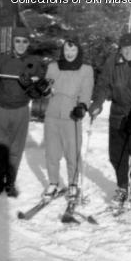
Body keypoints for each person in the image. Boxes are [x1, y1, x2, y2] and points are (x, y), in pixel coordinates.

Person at [0, 27, 49, 198]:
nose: (21, 44)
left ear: (29, 43)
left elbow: (39, 93)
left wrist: (31, 86)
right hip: (0, 109)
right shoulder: (1, 60)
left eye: (24, 41)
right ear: (12, 42)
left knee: (16, 149)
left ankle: (10, 183)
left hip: (21, 110)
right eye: (17, 40)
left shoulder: (34, 62)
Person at [88, 32, 131, 205]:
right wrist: (97, 102)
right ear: (120, 49)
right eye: (125, 48)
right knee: (116, 154)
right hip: (118, 113)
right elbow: (103, 84)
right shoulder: (112, 61)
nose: (129, 52)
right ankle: (121, 187)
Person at [41, 36, 94, 202]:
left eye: (73, 50)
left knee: (72, 151)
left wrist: (83, 106)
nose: (69, 53)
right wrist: (42, 90)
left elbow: (86, 91)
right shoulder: (53, 67)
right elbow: (48, 89)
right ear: (62, 51)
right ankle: (53, 182)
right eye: (66, 50)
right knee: (52, 152)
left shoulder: (86, 69)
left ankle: (73, 183)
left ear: (78, 51)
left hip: (72, 114)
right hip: (52, 114)